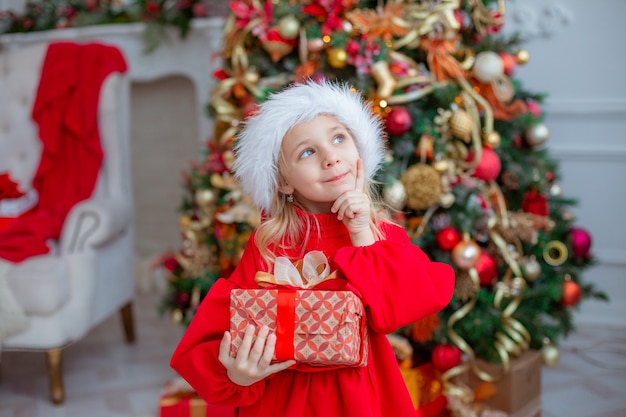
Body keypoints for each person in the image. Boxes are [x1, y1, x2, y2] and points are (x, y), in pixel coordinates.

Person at [170, 80, 455, 417]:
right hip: (284, 400)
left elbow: (403, 306)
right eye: (307, 152)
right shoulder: (269, 246)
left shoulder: (378, 233)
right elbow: (222, 326)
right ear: (284, 181)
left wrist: (362, 234)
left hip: (361, 397)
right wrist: (236, 373)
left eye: (339, 138)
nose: (331, 158)